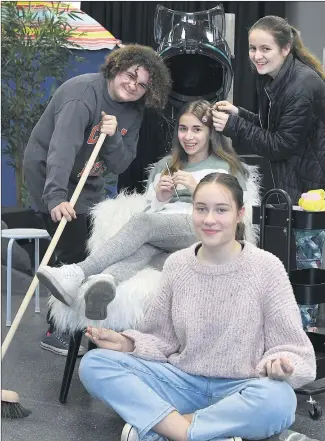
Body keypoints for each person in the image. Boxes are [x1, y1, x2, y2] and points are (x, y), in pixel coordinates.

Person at [76, 172, 316, 441]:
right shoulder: (177, 265)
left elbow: (296, 351)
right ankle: (202, 432)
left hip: (241, 388)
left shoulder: (267, 267)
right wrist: (125, 342)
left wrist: (282, 365)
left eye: (221, 210)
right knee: (94, 364)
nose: (209, 219)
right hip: (180, 382)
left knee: (279, 400)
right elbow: (160, 339)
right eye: (201, 209)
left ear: (240, 214)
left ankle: (164, 429)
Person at [36, 100, 249, 320]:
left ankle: (77, 272)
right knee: (144, 246)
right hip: (165, 235)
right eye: (183, 129)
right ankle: (104, 282)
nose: (188, 137)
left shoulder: (226, 167)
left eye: (197, 130)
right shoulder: (165, 165)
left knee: (143, 223)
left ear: (211, 132)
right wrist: (160, 197)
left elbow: (231, 210)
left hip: (200, 227)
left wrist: (198, 189)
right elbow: (151, 209)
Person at [23, 44, 172, 355]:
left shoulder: (134, 109)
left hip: (88, 182)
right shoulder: (82, 95)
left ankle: (79, 324)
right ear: (117, 67)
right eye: (131, 76)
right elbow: (60, 152)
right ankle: (58, 329)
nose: (133, 85)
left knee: (89, 249)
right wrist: (56, 199)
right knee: (71, 248)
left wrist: (115, 135)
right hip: (51, 177)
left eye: (142, 84)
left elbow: (120, 164)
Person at [211, 15, 325, 332]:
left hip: (309, 192)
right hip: (293, 188)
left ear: (285, 49)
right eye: (252, 49)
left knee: (304, 270)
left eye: (265, 49)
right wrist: (240, 114)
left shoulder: (303, 85)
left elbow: (282, 145)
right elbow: (274, 130)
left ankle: (305, 341)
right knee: (288, 267)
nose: (257, 56)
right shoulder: (278, 79)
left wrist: (234, 126)